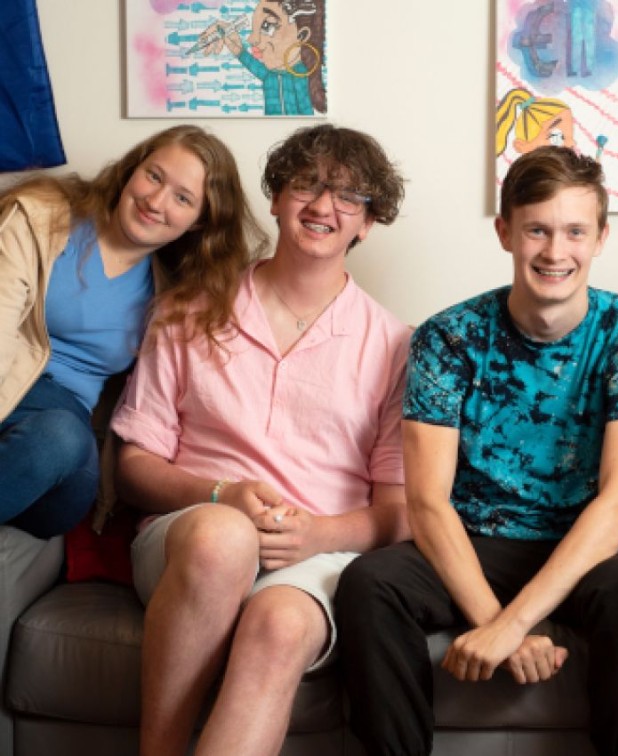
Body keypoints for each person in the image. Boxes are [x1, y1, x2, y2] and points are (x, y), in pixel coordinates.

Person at [336, 145, 618, 756]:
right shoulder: (448, 337)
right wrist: (503, 627)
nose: (554, 251)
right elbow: (429, 502)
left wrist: (510, 625)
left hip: (589, 547)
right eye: (536, 230)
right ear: (504, 232)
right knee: (369, 583)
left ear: (600, 238)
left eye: (574, 231)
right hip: (475, 540)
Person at [110, 124, 410, 756]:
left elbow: (400, 514)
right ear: (275, 198)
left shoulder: (394, 345)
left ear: (367, 224)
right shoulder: (186, 311)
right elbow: (134, 466)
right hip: (189, 539)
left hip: (315, 561)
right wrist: (220, 493)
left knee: (277, 624)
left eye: (349, 197)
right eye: (307, 184)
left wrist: (317, 535)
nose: (324, 206)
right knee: (224, 537)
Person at [0, 124, 264, 539]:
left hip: (62, 447)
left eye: (183, 198)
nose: (156, 202)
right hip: (7, 390)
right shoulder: (41, 217)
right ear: (131, 170)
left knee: (61, 437)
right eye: (154, 176)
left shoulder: (173, 295)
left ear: (198, 223)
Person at [198, 0, 326, 115]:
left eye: (267, 26)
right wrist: (234, 45)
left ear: (301, 36)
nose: (251, 39)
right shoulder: (270, 75)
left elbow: (306, 115)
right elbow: (250, 63)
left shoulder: (299, 74)